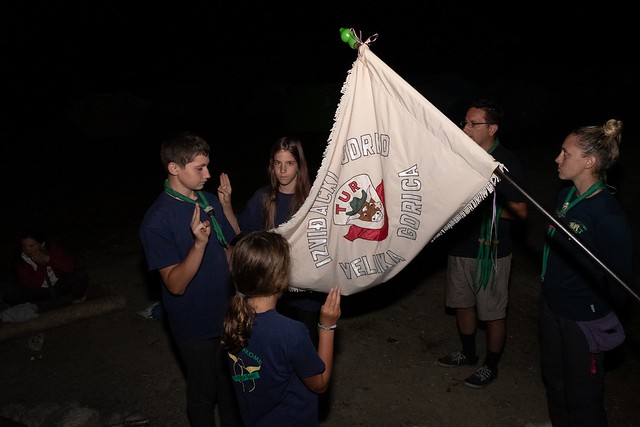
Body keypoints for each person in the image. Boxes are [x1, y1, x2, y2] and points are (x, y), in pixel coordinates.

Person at [139, 133, 241, 427]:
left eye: (207, 166)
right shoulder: (157, 221)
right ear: (174, 168)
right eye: (200, 168)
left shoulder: (208, 200)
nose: (207, 174)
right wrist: (198, 245)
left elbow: (231, 244)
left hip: (226, 314)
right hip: (194, 322)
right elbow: (175, 284)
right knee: (203, 393)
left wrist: (227, 206)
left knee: (231, 388)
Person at [539, 119, 634, 426]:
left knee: (583, 395)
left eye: (565, 153)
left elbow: (620, 281)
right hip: (552, 305)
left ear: (589, 162)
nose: (557, 158)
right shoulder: (566, 196)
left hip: (582, 318)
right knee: (555, 379)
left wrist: (598, 310)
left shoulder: (607, 216)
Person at [437, 99, 528, 389]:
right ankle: (468, 353)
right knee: (462, 304)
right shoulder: (462, 156)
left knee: (492, 314)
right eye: (465, 122)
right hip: (460, 246)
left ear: (492, 128)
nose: (465, 128)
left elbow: (521, 211)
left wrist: (483, 205)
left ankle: (491, 366)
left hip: (491, 251)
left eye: (473, 123)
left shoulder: (505, 162)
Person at [221, 230, 341, 427]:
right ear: (280, 278)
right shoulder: (291, 333)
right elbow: (319, 384)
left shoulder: (232, 320)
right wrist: (327, 326)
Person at [228, 137, 325, 346]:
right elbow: (243, 235)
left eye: (289, 163)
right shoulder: (263, 198)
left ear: (299, 166)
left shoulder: (314, 200)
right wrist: (227, 205)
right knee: (275, 346)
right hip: (271, 290)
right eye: (278, 163)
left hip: (307, 292)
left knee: (304, 343)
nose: (283, 170)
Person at [15, 226, 89, 304]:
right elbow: (33, 286)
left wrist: (48, 259)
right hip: (40, 292)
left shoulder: (53, 249)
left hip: (59, 285)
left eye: (31, 246)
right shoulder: (21, 260)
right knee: (11, 290)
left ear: (42, 244)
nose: (27, 249)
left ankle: (78, 298)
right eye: (24, 246)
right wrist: (41, 266)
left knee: (80, 274)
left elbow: (70, 268)